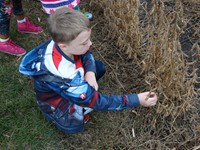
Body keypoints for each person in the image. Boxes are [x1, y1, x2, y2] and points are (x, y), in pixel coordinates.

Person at [19, 7, 158, 134]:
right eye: (84, 42)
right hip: (56, 103)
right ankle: (56, 116)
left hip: (72, 85)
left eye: (89, 39)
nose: (90, 44)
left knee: (98, 67)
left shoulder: (62, 42)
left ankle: (79, 100)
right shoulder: (65, 75)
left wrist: (90, 73)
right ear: (64, 46)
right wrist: (137, 100)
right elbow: (97, 102)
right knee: (74, 127)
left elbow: (85, 53)